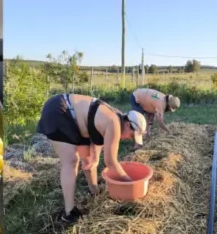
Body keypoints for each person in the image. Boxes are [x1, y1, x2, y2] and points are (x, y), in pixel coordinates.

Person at [35, 93, 146, 225]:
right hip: (60, 111)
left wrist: (96, 192)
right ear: (128, 125)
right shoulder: (114, 123)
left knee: (88, 160)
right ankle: (69, 213)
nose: (129, 138)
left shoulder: (111, 121)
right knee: (71, 161)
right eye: (132, 136)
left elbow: (92, 161)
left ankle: (93, 190)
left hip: (76, 121)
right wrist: (130, 182)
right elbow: (110, 162)